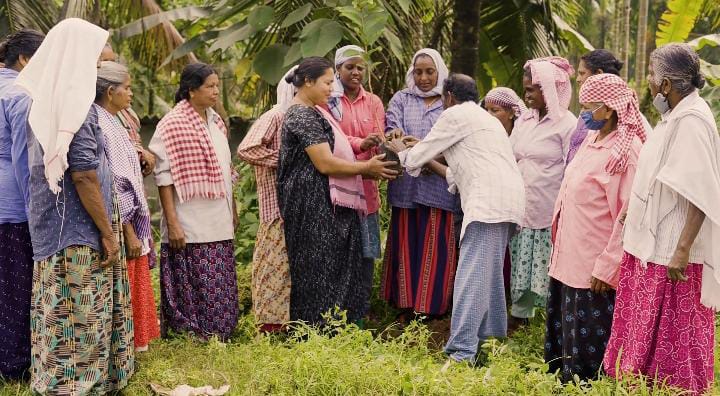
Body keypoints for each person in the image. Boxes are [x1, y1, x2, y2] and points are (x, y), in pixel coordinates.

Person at [16, 18, 134, 394]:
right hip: (78, 229)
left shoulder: (47, 100)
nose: (99, 73)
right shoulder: (76, 106)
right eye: (97, 63)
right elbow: (83, 175)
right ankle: (78, 385)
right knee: (83, 311)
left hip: (57, 223)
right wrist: (107, 233)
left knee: (63, 306)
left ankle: (63, 380)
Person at [603, 43, 720, 395]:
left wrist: (682, 250)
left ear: (667, 84)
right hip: (653, 246)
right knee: (647, 327)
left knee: (674, 330)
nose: (650, 83)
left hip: (671, 252)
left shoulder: (693, 121)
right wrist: (631, 210)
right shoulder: (674, 117)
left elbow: (701, 191)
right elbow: (657, 177)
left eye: (653, 76)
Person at [387, 74, 525, 367]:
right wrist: (422, 150)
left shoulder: (454, 114)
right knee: (489, 277)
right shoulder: (485, 120)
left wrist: (405, 152)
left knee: (470, 275)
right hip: (507, 201)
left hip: (488, 204)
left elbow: (413, 159)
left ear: (448, 96)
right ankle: (491, 343)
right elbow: (454, 173)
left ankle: (462, 353)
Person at [277, 57, 398, 325]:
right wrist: (366, 167)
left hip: (324, 204)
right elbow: (324, 162)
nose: (332, 88)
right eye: (327, 82)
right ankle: (314, 332)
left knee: (335, 267)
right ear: (307, 82)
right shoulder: (301, 115)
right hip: (310, 207)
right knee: (317, 271)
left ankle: (335, 329)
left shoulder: (316, 111)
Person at [544, 73, 645, 382]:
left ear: (610, 108)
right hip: (568, 261)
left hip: (594, 269)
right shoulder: (592, 139)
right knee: (566, 345)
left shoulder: (626, 153)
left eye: (590, 107)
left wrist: (609, 263)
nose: (584, 113)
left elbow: (629, 214)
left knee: (590, 352)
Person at [150, 62, 239, 341]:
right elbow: (163, 177)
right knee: (193, 278)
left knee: (218, 276)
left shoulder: (216, 122)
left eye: (217, 86)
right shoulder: (171, 124)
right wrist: (173, 222)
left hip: (218, 216)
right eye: (210, 86)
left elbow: (226, 169)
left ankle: (220, 332)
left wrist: (233, 208)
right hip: (189, 219)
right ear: (191, 91)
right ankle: (190, 334)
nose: (215, 92)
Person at [381, 48, 460, 320]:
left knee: (435, 244)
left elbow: (454, 141)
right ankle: (404, 303)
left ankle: (429, 306)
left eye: (430, 71)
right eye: (418, 72)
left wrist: (422, 152)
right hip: (406, 186)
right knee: (406, 243)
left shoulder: (449, 102)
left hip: (439, 185)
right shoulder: (401, 99)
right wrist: (401, 140)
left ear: (440, 72)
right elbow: (394, 134)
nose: (424, 78)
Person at [508, 56, 577, 333]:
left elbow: (571, 167)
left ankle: (549, 321)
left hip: (548, 209)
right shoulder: (525, 119)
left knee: (544, 266)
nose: (527, 95)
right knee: (520, 262)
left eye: (532, 90)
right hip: (522, 206)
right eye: (525, 90)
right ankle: (520, 317)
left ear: (550, 89)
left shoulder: (566, 124)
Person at [95, 61, 160, 352]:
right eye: (128, 88)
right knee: (126, 285)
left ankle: (133, 347)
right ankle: (124, 349)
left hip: (129, 218)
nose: (131, 94)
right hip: (123, 222)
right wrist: (130, 231)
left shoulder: (116, 120)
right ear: (111, 91)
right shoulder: (101, 124)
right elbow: (115, 184)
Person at [236, 66, 297, 333]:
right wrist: (284, 161)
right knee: (273, 269)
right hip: (275, 208)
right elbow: (247, 148)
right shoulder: (276, 115)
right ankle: (270, 326)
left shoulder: (303, 117)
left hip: (295, 208)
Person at [0, 28, 44, 381]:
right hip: (12, 206)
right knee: (15, 287)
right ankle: (13, 367)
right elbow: (23, 160)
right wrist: (37, 211)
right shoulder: (21, 94)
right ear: (27, 59)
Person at [326, 46, 385, 301]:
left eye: (360, 67)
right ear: (338, 69)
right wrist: (360, 143)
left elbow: (380, 135)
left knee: (367, 253)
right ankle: (339, 309)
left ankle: (361, 310)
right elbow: (330, 136)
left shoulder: (373, 101)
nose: (356, 72)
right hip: (339, 186)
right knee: (339, 253)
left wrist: (379, 141)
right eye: (350, 67)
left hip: (368, 188)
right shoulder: (329, 101)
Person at [567, 49, 652, 164]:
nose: (577, 79)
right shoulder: (591, 114)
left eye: (582, 73)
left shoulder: (631, 121)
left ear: (598, 74)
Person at [100, 43, 156, 177]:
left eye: (113, 62)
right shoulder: (93, 113)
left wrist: (142, 158)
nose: (111, 67)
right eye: (105, 62)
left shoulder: (127, 111)